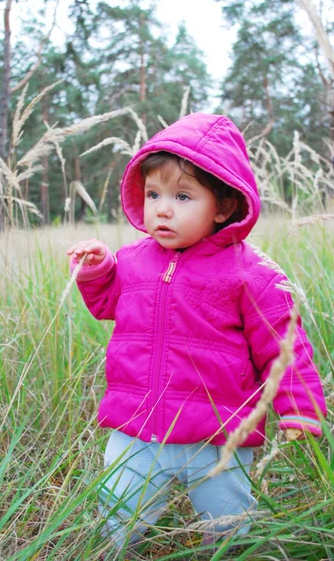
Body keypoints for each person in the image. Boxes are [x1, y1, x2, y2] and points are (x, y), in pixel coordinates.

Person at [67, 113, 326, 552]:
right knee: (117, 519)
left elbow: (283, 344)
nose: (162, 208)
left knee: (226, 525)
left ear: (223, 206)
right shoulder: (133, 261)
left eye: (183, 195)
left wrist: (299, 405)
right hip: (136, 432)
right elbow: (109, 305)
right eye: (153, 194)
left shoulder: (249, 273)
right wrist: (98, 272)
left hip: (217, 437)